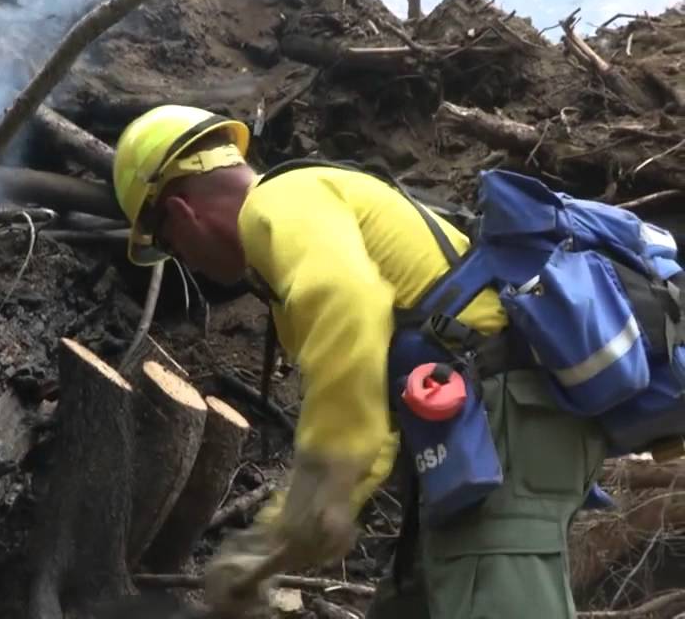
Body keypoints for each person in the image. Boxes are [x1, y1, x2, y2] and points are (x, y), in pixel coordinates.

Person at [110, 104, 609, 618]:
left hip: (507, 416)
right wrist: (277, 547)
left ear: (179, 213)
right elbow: (369, 430)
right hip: (484, 427)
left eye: (173, 248)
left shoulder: (278, 204)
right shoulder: (300, 234)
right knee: (412, 603)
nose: (188, 262)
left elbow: (348, 308)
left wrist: (311, 492)